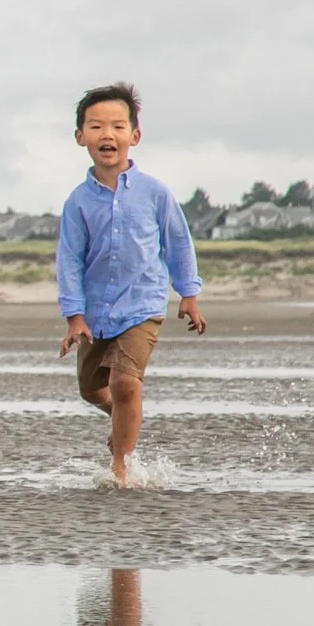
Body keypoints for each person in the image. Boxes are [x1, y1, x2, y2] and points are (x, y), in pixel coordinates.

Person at [56, 83, 205, 486]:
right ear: (80, 137)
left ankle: (121, 467)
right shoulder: (77, 202)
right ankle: (125, 416)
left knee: (125, 383)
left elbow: (178, 242)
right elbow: (68, 260)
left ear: (134, 136)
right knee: (92, 389)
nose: (108, 135)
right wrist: (74, 316)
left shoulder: (155, 193)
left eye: (118, 126)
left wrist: (189, 294)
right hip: (95, 312)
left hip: (143, 304)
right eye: (96, 126)